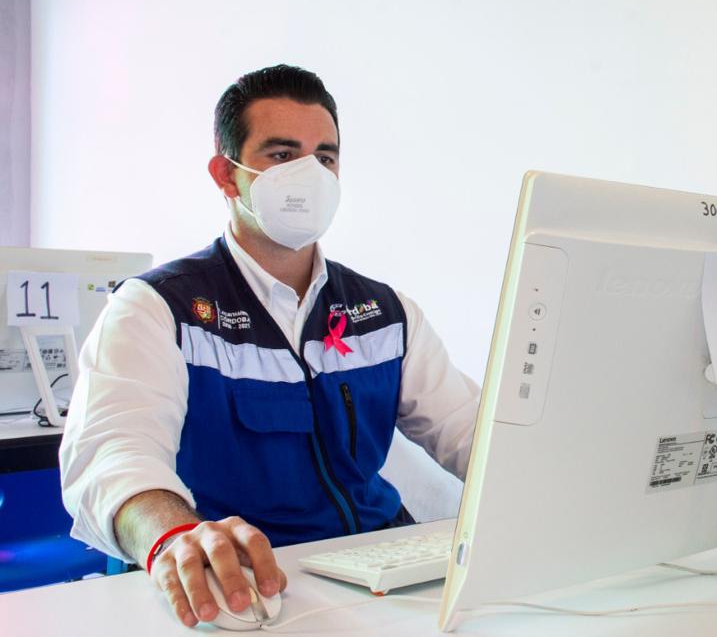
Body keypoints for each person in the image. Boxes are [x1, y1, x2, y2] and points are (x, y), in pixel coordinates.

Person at [59, 65, 479, 628]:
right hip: (251, 582)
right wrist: (175, 538)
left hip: (381, 571)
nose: (309, 174)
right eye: (282, 155)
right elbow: (112, 457)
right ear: (227, 176)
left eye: (324, 158)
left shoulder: (384, 312)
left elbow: (471, 431)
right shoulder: (158, 308)